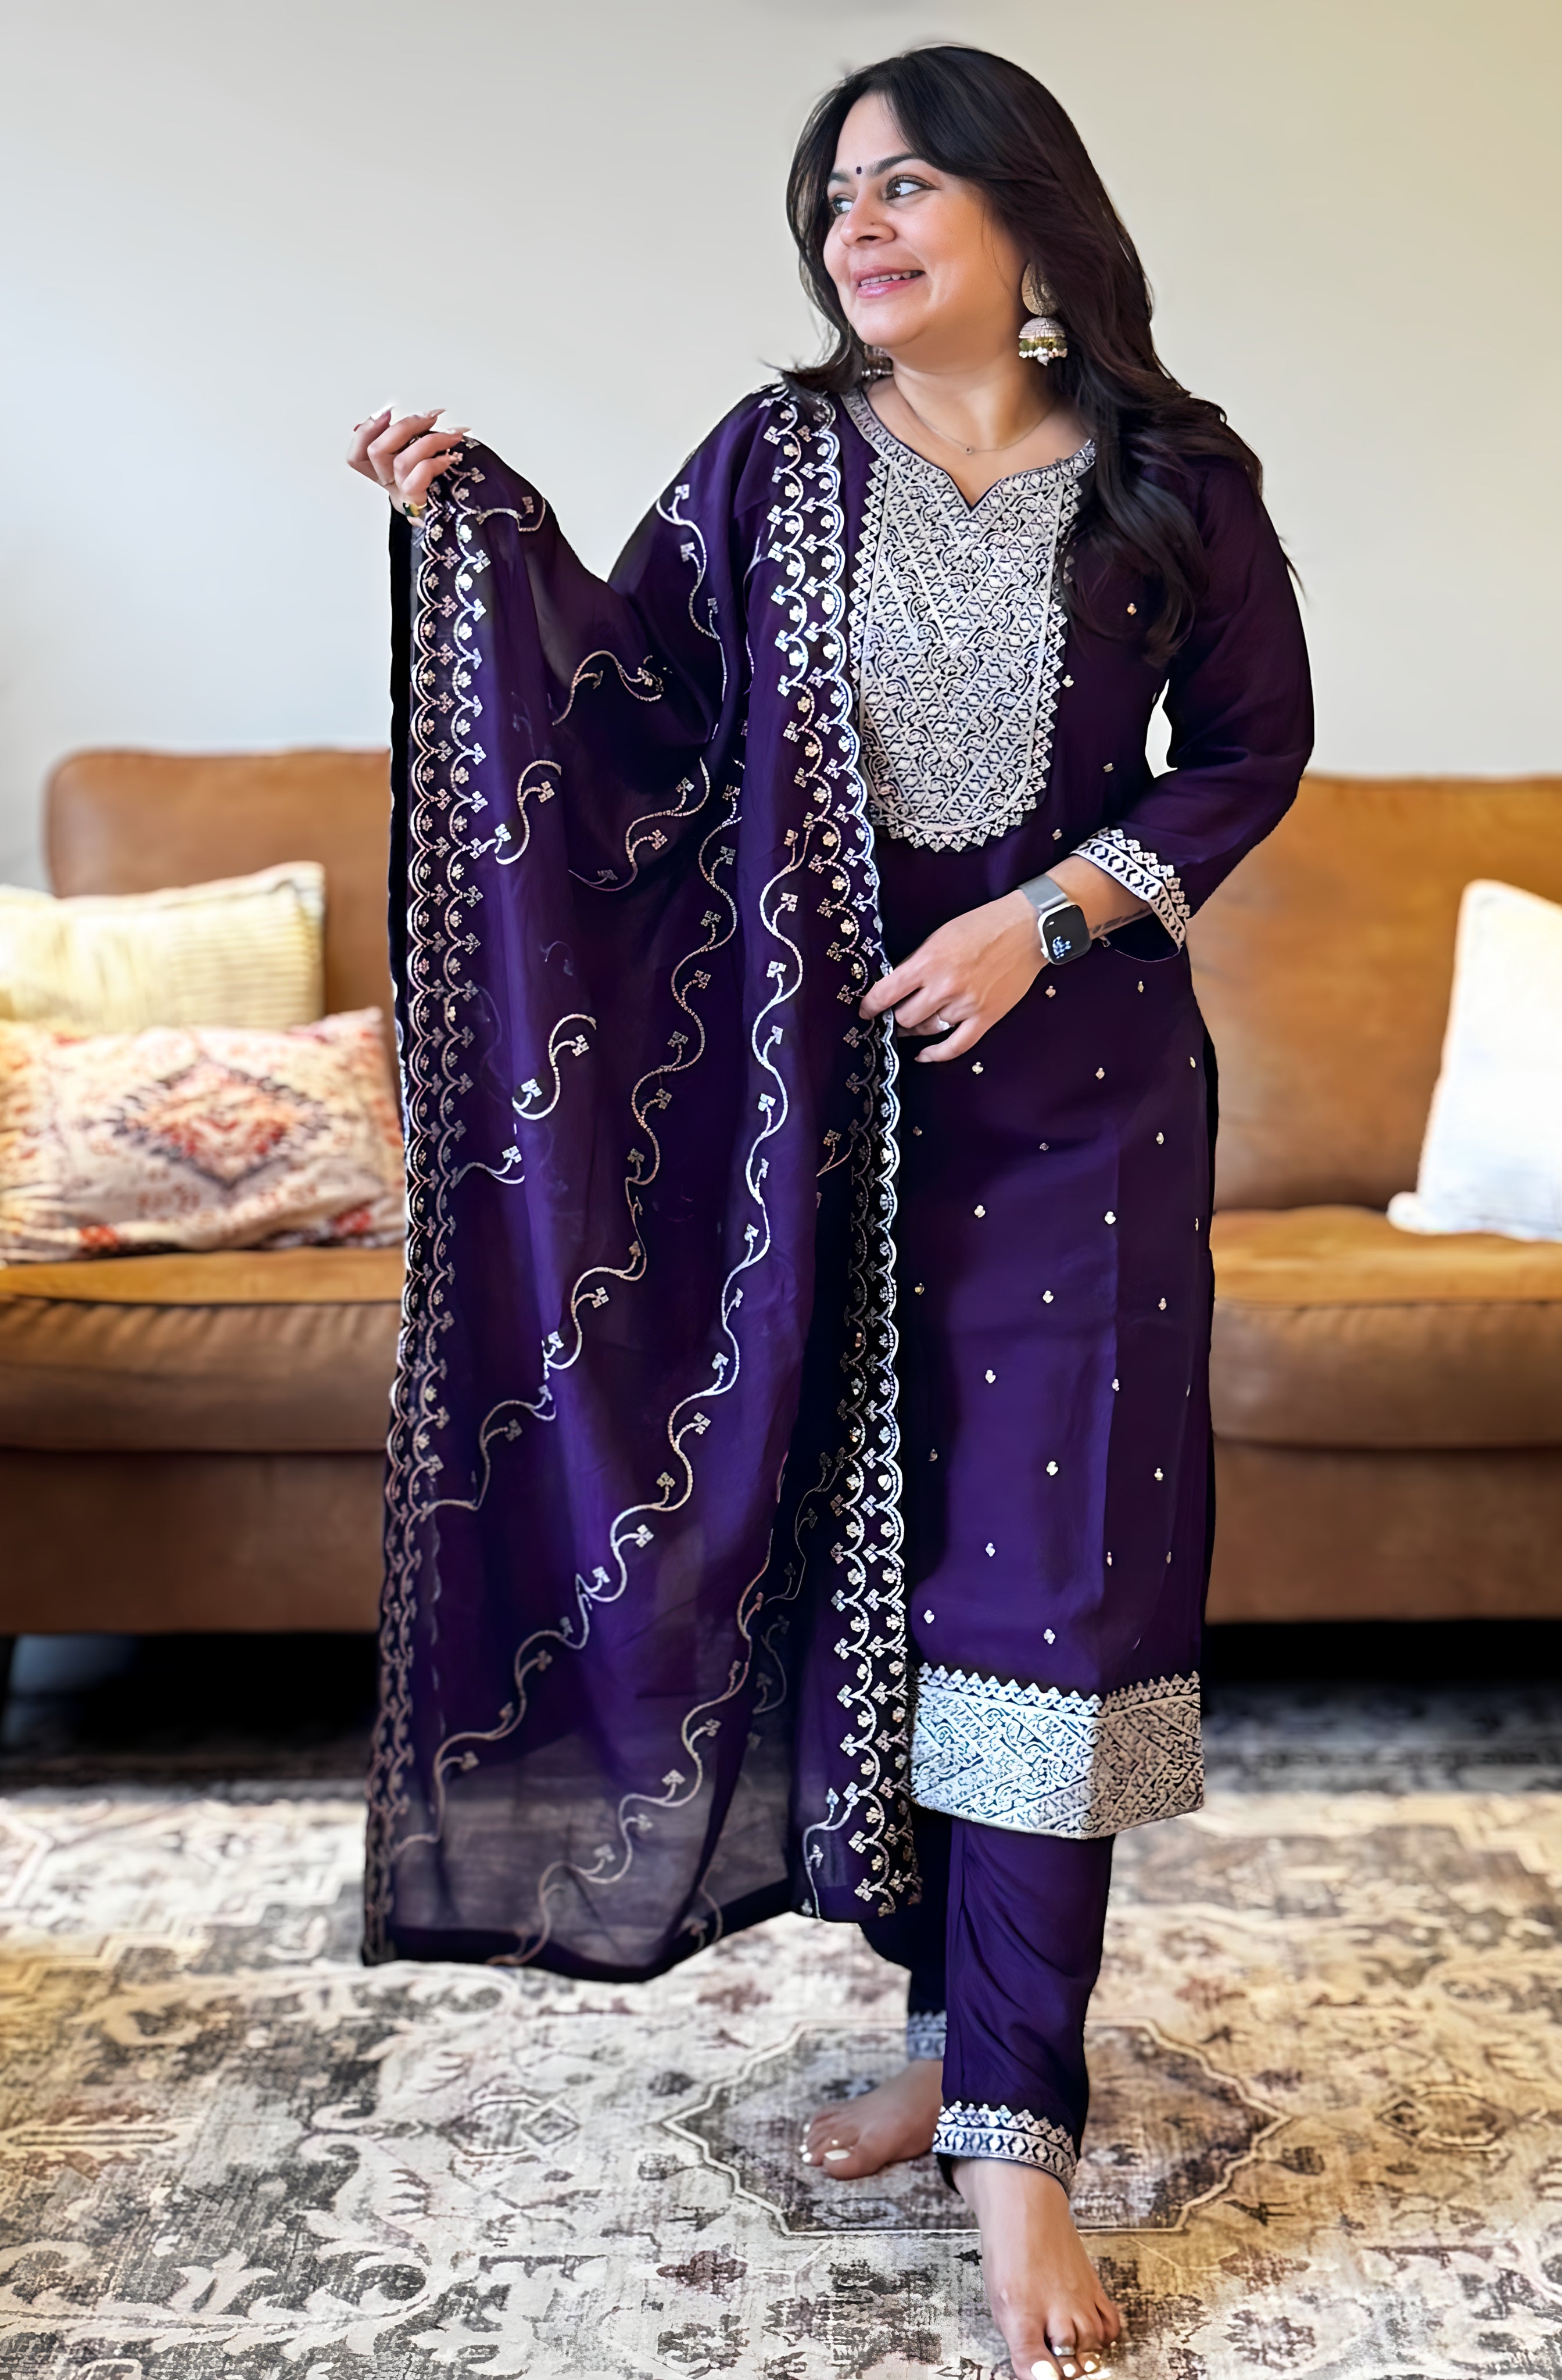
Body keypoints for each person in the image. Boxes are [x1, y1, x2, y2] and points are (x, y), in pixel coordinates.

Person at [347, 43, 1310, 2379]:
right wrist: (480, 532)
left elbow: (1253, 753)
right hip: (808, 1119)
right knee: (871, 1574)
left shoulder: (1175, 479)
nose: (856, 228)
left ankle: (1021, 2141)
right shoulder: (772, 464)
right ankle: (946, 2038)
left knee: (1047, 1602)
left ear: (1028, 214)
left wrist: (1055, 913)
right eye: (832, 200)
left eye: (902, 187)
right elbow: (631, 724)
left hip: (1080, 1110)